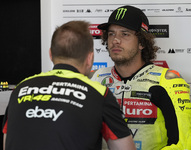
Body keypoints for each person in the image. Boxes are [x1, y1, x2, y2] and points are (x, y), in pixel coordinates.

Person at [2, 20, 136, 150]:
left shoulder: (19, 89)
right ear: (89, 59)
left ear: (50, 54)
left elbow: (6, 143)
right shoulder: (99, 94)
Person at [90, 5, 191, 150]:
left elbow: (184, 142)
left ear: (141, 42)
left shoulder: (167, 80)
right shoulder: (96, 78)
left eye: (125, 34)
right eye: (111, 34)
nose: (115, 40)